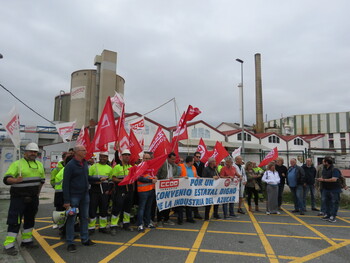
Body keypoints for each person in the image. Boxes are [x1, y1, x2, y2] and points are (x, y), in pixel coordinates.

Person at [2, 142, 45, 256]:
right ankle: (9, 245)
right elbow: (6, 179)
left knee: (30, 219)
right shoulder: (17, 164)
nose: (33, 153)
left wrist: (37, 193)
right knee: (15, 221)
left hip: (33, 198)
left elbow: (41, 181)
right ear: (25, 152)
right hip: (19, 198)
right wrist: (15, 180)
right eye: (31, 151)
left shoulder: (39, 165)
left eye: (35, 152)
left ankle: (27, 241)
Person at [63, 145, 104, 253]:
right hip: (73, 196)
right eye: (84, 150)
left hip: (85, 195)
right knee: (72, 219)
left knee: (84, 218)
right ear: (76, 152)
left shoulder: (84, 163)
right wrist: (67, 201)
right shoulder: (70, 165)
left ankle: (85, 239)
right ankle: (70, 243)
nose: (86, 152)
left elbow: (87, 177)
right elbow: (65, 183)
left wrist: (97, 179)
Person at [88, 152, 112, 234]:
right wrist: (95, 182)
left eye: (105, 157)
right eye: (101, 157)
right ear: (99, 157)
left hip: (104, 191)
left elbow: (111, 181)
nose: (103, 158)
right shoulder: (93, 167)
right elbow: (88, 179)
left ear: (107, 158)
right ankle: (91, 227)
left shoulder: (109, 168)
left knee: (104, 209)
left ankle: (103, 227)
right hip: (94, 190)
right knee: (92, 209)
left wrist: (109, 190)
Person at [110, 149, 134, 235]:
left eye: (128, 155)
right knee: (117, 207)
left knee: (127, 208)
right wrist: (122, 181)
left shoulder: (131, 167)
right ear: (122, 156)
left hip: (129, 190)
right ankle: (113, 225)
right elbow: (113, 178)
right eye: (125, 155)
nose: (127, 156)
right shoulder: (117, 167)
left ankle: (126, 224)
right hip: (120, 189)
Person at [53, 154, 74, 239]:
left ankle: (62, 231)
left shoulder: (63, 170)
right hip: (65, 195)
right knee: (67, 214)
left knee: (61, 214)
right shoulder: (68, 171)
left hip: (59, 195)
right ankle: (65, 233)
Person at [156, 152, 179, 227]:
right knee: (161, 204)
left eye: (174, 159)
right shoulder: (162, 164)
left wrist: (173, 178)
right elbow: (158, 174)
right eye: (172, 159)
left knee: (168, 204)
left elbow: (177, 175)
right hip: (162, 188)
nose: (173, 160)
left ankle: (166, 219)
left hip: (170, 188)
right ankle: (159, 220)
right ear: (168, 158)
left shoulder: (175, 166)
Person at [316, 157, 342, 223]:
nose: (323, 163)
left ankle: (333, 216)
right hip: (326, 188)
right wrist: (320, 179)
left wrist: (323, 180)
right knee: (326, 202)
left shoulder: (334, 169)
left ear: (327, 162)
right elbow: (323, 176)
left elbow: (334, 179)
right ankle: (328, 215)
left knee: (334, 203)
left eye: (324, 162)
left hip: (334, 189)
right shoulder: (325, 169)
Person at [136, 153, 157, 232]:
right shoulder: (140, 166)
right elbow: (139, 178)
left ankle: (147, 223)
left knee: (148, 208)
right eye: (146, 158)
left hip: (150, 190)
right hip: (143, 191)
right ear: (143, 159)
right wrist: (151, 180)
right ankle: (140, 224)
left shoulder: (151, 166)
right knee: (142, 208)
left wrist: (155, 177)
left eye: (149, 158)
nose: (147, 160)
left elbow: (152, 175)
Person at [177, 156, 198, 224]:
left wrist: (197, 177)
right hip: (182, 188)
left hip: (190, 188)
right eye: (193, 161)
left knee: (189, 203)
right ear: (190, 162)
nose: (194, 162)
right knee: (181, 204)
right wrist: (182, 177)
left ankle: (189, 218)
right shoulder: (180, 166)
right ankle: (180, 219)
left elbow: (195, 175)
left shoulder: (193, 167)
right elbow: (176, 176)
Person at [192, 152, 204, 219]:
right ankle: (194, 213)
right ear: (194, 157)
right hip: (193, 183)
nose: (198, 158)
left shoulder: (202, 164)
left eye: (199, 157)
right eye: (197, 156)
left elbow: (203, 173)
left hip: (200, 183)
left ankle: (196, 213)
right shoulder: (191, 164)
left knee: (197, 198)